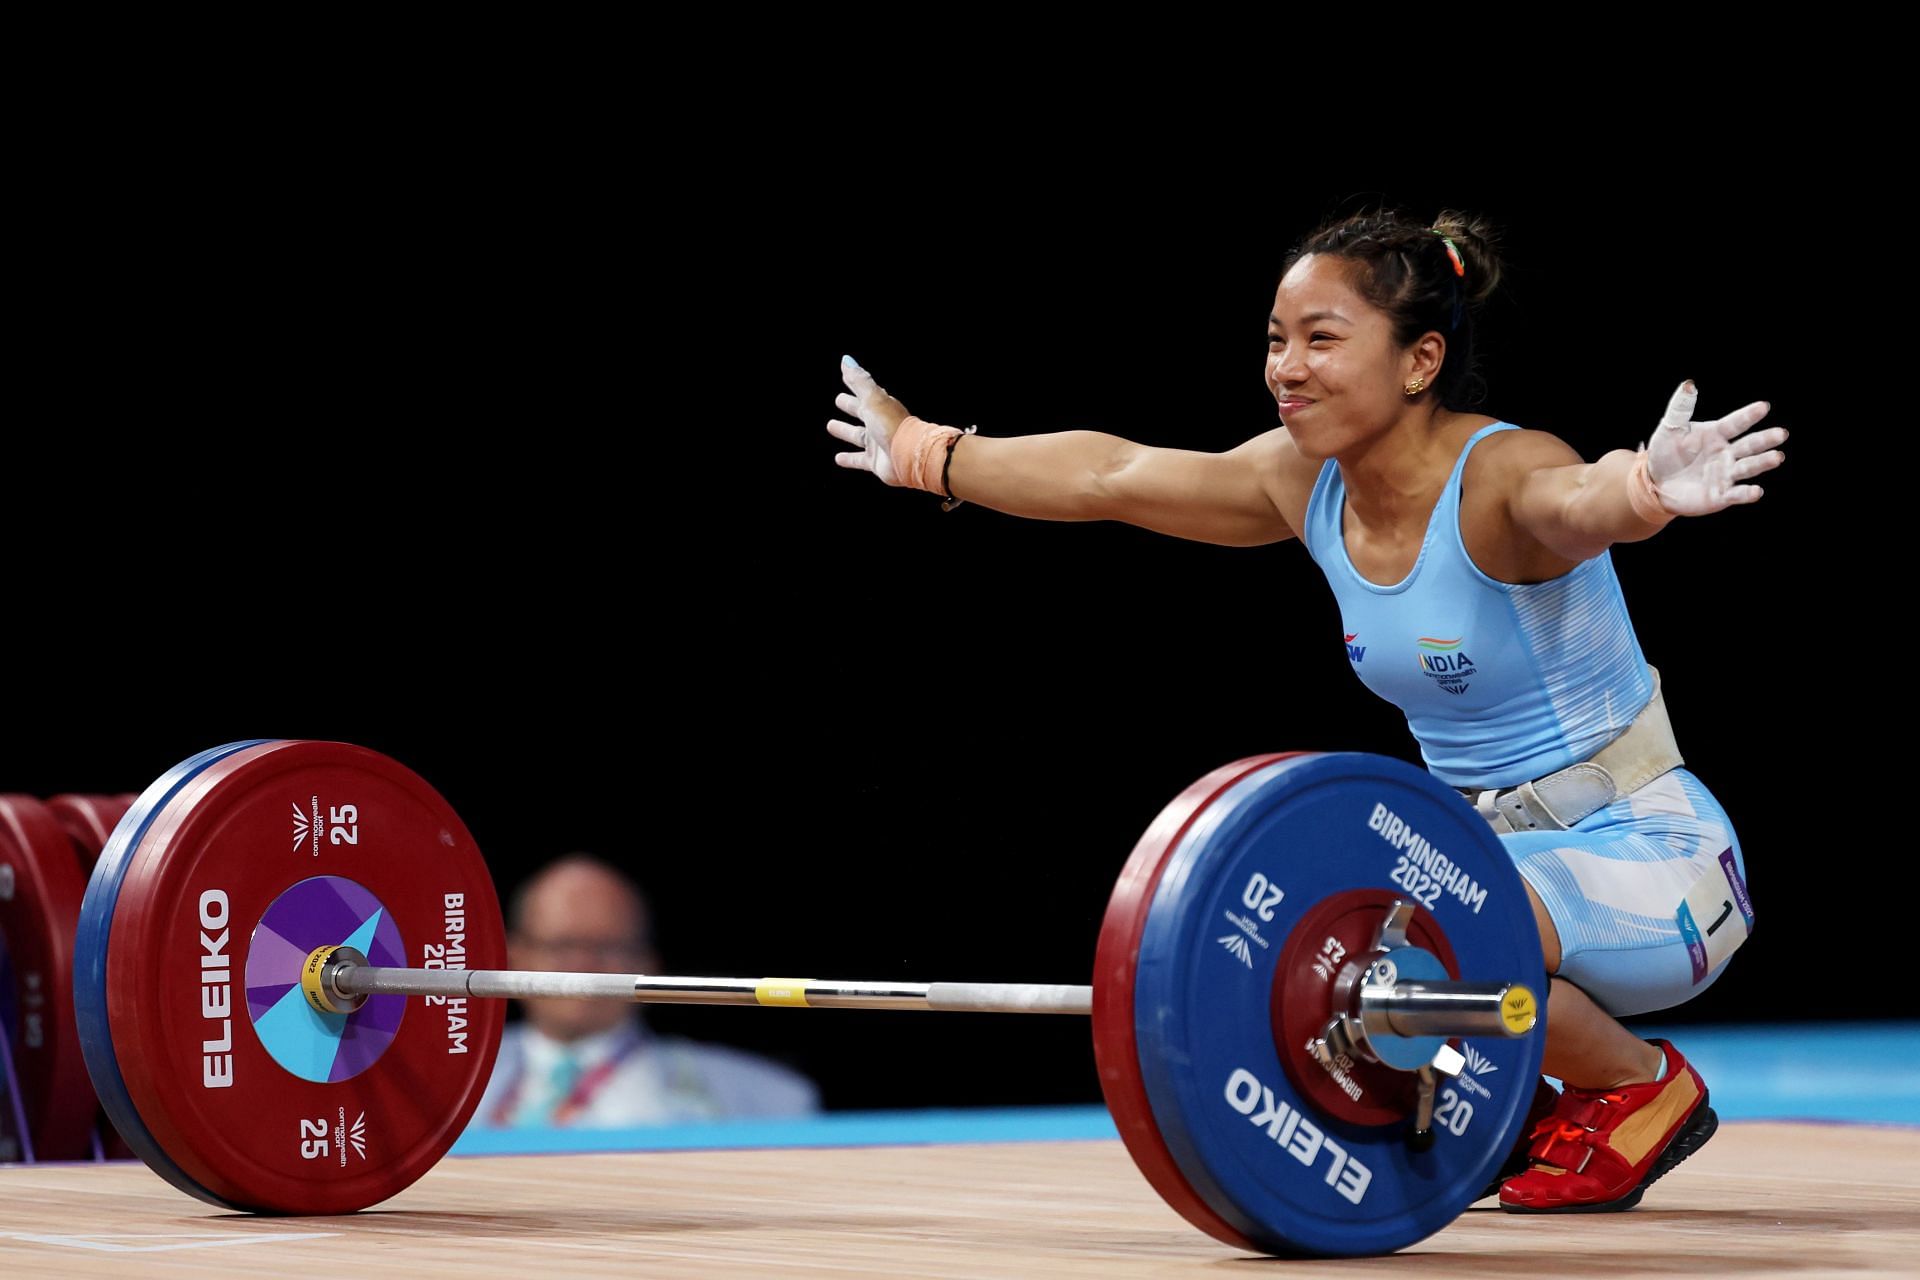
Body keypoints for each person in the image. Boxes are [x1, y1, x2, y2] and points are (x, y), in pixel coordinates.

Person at [824, 207, 1786, 1213]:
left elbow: (1576, 502)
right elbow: (1111, 475)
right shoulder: (1304, 483)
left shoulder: (1499, 474)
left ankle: (1638, 1083)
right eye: (1277, 340)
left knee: (1421, 928)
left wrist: (1644, 489)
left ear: (1419, 361)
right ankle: (1512, 1100)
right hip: (1486, 871)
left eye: (1322, 339)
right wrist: (924, 452)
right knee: (1338, 930)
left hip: (1657, 863)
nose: (1288, 366)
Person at [475, 855, 820, 1127]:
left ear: (648, 965)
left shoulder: (768, 1100)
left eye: (608, 947)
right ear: (514, 955)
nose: (582, 965)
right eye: (562, 944)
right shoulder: (448, 1081)